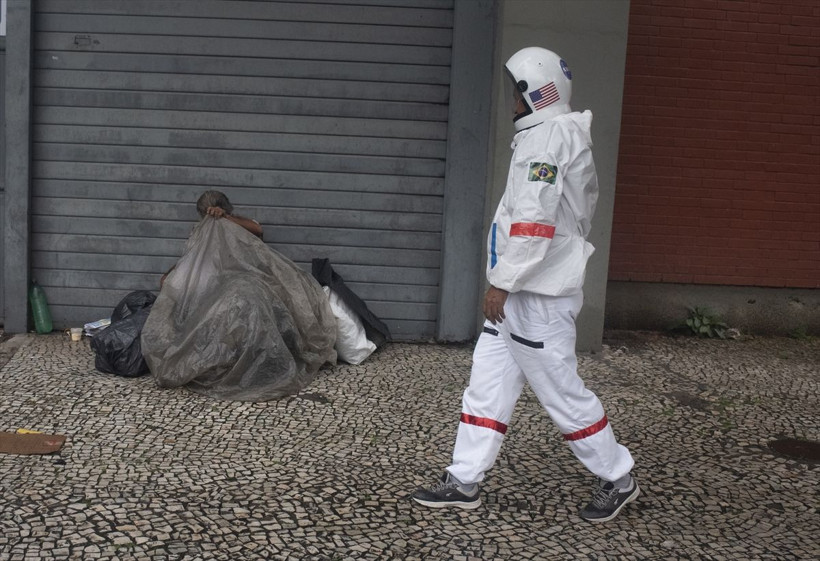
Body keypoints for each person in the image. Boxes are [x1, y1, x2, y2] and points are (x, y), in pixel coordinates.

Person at [411, 47, 638, 523]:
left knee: (561, 392)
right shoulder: (548, 135)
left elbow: (534, 223)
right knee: (486, 387)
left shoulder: (547, 140)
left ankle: (619, 477)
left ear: (536, 93)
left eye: (517, 90)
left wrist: (502, 283)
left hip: (536, 296)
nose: (511, 99)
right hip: (523, 296)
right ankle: (464, 480)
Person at [160, 190, 263, 287]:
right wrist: (169, 274)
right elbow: (189, 256)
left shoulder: (237, 223)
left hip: (238, 282)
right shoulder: (199, 231)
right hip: (208, 283)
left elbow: (257, 230)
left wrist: (225, 217)